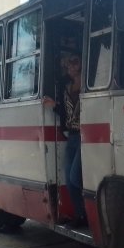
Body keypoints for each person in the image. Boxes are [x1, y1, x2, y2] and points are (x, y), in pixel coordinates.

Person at [43, 54, 86, 227]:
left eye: (75, 61)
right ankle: (80, 215)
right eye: (69, 64)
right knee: (69, 179)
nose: (71, 66)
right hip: (72, 137)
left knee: (76, 178)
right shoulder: (67, 86)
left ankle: (87, 214)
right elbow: (65, 113)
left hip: (86, 137)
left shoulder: (90, 85)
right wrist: (55, 106)